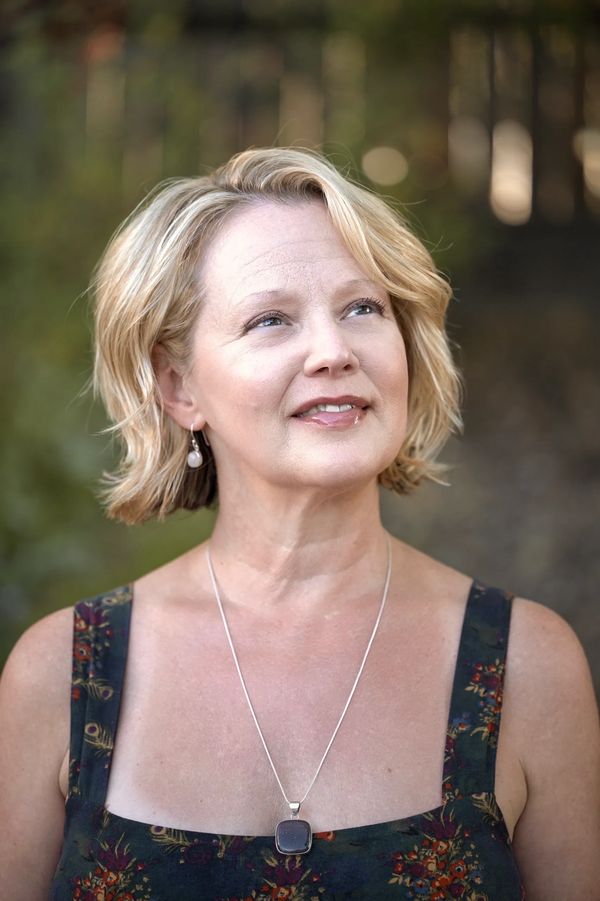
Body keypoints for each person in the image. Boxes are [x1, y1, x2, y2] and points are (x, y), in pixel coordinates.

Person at [0, 147, 598, 901]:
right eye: (271, 319)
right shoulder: (61, 676)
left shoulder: (529, 669)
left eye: (362, 308)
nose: (334, 351)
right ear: (180, 387)